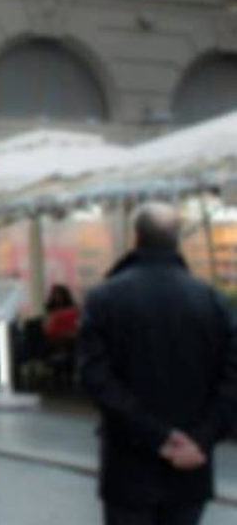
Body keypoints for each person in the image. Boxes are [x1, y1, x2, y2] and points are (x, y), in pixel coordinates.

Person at [78, 201, 237, 525]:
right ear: (177, 238)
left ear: (135, 237)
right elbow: (232, 378)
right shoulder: (211, 300)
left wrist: (158, 437)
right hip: (191, 466)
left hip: (129, 466)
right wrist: (200, 438)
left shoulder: (105, 299)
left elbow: (95, 378)